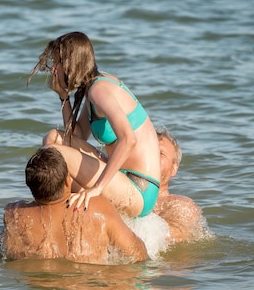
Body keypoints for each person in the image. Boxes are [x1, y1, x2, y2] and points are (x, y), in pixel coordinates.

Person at [28, 31, 161, 218]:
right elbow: (77, 135)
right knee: (53, 138)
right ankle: (61, 206)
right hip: (121, 177)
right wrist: (63, 97)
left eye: (57, 62)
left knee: (54, 151)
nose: (54, 69)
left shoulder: (99, 90)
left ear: (70, 63)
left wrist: (97, 188)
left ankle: (56, 210)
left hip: (138, 188)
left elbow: (128, 139)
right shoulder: (92, 87)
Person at [2, 147, 148, 264]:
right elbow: (138, 254)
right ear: (67, 181)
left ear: (29, 185)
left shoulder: (13, 214)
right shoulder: (98, 207)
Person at [153, 127, 208, 244]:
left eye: (160, 153)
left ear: (174, 168)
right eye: (147, 150)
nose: (150, 156)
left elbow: (175, 236)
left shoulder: (180, 204)